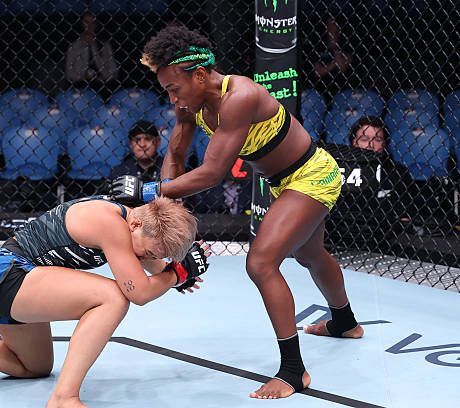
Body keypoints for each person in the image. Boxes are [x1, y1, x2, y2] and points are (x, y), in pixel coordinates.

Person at [110, 25, 363, 399]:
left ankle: (294, 372)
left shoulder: (240, 97)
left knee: (260, 263)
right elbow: (176, 154)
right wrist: (163, 204)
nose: (172, 97)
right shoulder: (189, 104)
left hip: (311, 174)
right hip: (281, 182)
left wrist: (147, 190)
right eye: (167, 89)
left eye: (174, 87)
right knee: (309, 254)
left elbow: (213, 173)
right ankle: (345, 322)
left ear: (199, 75)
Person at [0, 195, 210, 408]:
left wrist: (179, 275)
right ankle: (64, 398)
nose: (147, 258)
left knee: (33, 367)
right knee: (113, 298)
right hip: (11, 276)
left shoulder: (131, 223)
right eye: (149, 252)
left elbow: (154, 268)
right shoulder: (110, 224)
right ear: (135, 224)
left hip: (17, 284)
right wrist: (177, 275)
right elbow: (140, 293)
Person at [326, 116, 414, 252]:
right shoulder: (335, 170)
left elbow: (403, 217)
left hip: (385, 243)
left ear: (384, 144)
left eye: (377, 140)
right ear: (354, 143)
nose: (370, 145)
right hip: (334, 239)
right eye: (364, 139)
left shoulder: (398, 172)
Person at [65, 12, 118, 101]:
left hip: (103, 83)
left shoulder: (104, 45)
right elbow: (69, 73)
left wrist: (103, 77)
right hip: (81, 84)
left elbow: (114, 70)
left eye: (92, 22)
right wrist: (82, 77)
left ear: (96, 25)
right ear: (81, 24)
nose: (89, 25)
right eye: (86, 22)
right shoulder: (74, 46)